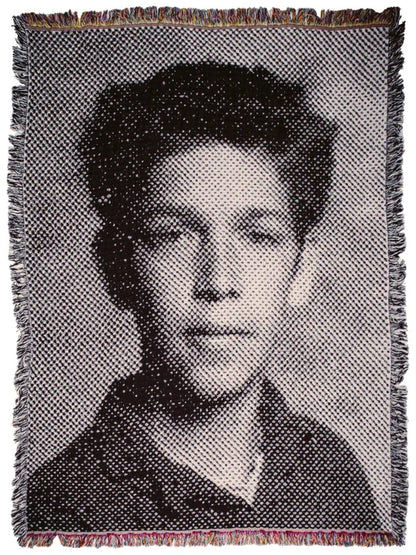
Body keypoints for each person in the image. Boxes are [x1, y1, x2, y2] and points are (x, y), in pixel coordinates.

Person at [27, 61, 382, 533]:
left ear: (301, 270)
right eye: (171, 236)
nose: (218, 281)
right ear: (117, 268)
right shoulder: (61, 509)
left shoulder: (332, 473)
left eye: (259, 238)